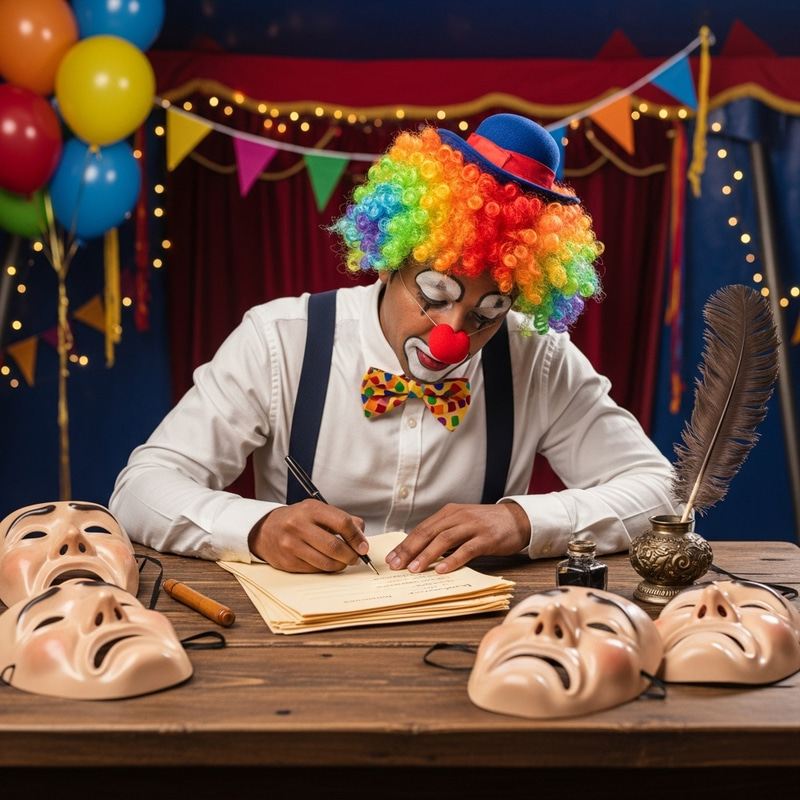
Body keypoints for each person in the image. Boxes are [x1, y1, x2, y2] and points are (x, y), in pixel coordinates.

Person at [109, 113, 678, 575]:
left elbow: (660, 494)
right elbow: (139, 491)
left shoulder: (537, 359)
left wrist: (522, 521)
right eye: (434, 291)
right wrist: (255, 529)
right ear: (388, 262)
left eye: (488, 310)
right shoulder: (280, 339)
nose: (452, 334)